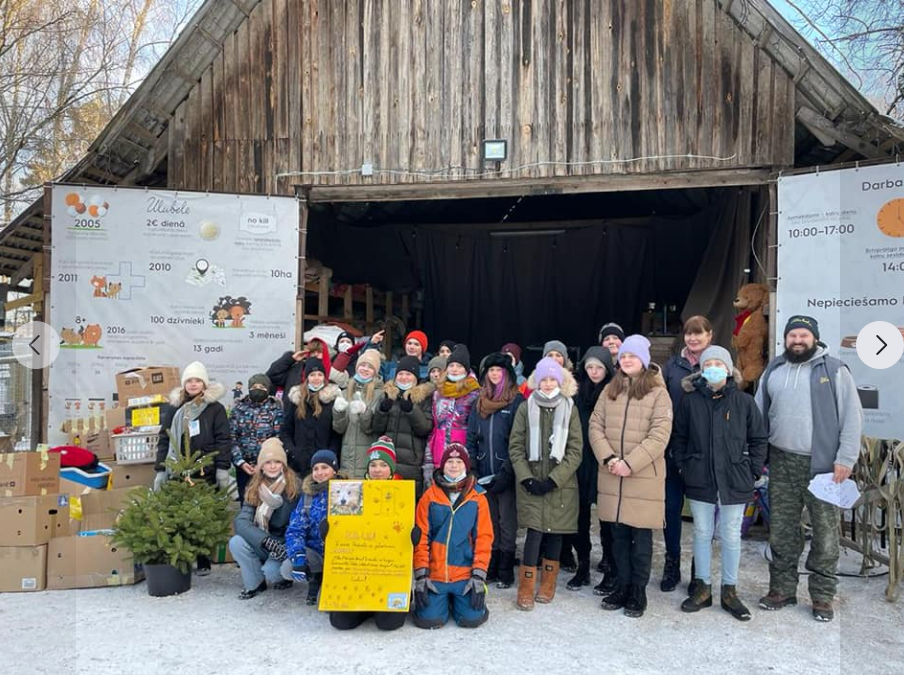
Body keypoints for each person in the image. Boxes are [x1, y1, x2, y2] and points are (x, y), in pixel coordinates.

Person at [754, 315, 862, 622]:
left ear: (814, 337)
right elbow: (759, 411)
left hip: (824, 466)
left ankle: (822, 596)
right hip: (781, 460)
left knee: (826, 535)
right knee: (783, 530)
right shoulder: (774, 369)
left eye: (803, 335)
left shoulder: (835, 370)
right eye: (792, 335)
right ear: (785, 339)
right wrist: (758, 453)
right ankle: (782, 589)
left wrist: (845, 458)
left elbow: (852, 418)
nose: (797, 340)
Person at [671, 346, 768, 621]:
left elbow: (758, 438)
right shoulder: (690, 401)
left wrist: (752, 469)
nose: (713, 367)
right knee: (702, 532)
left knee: (730, 535)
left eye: (718, 363)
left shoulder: (744, 402)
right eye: (708, 363)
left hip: (735, 479)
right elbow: (679, 437)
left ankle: (729, 590)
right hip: (700, 477)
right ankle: (702, 588)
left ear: (728, 368)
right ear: (702, 369)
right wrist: (684, 465)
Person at [589, 335, 672, 618]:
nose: (626, 360)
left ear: (644, 361)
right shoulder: (610, 390)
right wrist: (609, 458)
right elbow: (595, 426)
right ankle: (621, 585)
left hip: (642, 477)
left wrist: (630, 463)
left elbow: (660, 434)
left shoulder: (658, 393)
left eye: (632, 356)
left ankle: (638, 590)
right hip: (612, 474)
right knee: (618, 536)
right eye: (623, 356)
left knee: (641, 538)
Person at [508, 357, 582, 611]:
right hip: (531, 481)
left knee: (555, 533)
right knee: (534, 533)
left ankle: (548, 584)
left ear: (560, 381)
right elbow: (516, 446)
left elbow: (575, 450)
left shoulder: (570, 408)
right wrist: (526, 476)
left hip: (559, 485)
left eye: (553, 379)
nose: (548, 384)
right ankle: (526, 588)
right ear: (536, 381)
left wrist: (554, 479)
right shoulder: (525, 407)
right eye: (544, 379)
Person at [327, 437, 412, 630]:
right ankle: (364, 604)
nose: (378, 470)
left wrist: (412, 536)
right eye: (373, 465)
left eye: (383, 464)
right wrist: (330, 530)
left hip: (390, 571)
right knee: (340, 622)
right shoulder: (352, 492)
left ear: (392, 468)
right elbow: (345, 529)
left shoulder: (403, 493)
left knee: (389, 624)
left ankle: (402, 595)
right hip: (360, 570)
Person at [155, 361, 230, 575]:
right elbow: (164, 438)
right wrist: (161, 469)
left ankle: (204, 559)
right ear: (184, 384)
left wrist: (222, 467)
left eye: (198, 380)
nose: (194, 384)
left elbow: (223, 439)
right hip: (177, 470)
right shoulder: (174, 408)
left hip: (204, 470)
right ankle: (182, 558)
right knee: (178, 514)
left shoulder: (215, 408)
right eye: (190, 380)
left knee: (203, 514)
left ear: (204, 384)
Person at [660, 315, 714, 593]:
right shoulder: (672, 366)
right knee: (670, 509)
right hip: (673, 449)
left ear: (709, 335)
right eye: (689, 334)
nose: (693, 339)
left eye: (699, 334)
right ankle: (672, 564)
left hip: (704, 452)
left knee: (702, 514)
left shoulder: (717, 365)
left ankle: (698, 570)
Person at [413, 444, 493, 629]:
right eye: (450, 461)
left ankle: (459, 600)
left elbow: (484, 537)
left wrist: (479, 576)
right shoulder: (429, 496)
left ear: (466, 466)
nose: (454, 466)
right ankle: (442, 601)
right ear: (442, 465)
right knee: (429, 620)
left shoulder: (478, 497)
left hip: (465, 576)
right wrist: (421, 575)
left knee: (471, 619)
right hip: (436, 574)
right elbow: (422, 537)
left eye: (459, 462)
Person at [466, 352, 524, 589]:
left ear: (507, 375)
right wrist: (474, 468)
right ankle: (492, 561)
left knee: (507, 522)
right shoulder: (479, 403)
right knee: (488, 521)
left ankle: (506, 566)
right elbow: (470, 438)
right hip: (483, 472)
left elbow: (519, 440)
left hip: (506, 473)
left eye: (499, 370)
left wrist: (507, 472)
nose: (495, 374)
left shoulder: (516, 401)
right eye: (491, 371)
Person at [566, 347, 615, 592]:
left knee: (607, 518)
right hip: (580, 460)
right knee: (579, 517)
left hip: (605, 461)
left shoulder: (615, 392)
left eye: (599, 367)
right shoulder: (576, 394)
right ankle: (583, 564)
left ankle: (609, 564)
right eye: (590, 367)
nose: (594, 372)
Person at [229, 438, 302, 599]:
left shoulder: (295, 486)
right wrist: (265, 540)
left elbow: (299, 523)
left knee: (273, 573)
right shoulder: (255, 487)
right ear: (261, 465)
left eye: (277, 461)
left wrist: (282, 546)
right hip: (264, 542)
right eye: (268, 462)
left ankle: (283, 576)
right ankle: (255, 583)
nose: (273, 466)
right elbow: (241, 521)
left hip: (284, 546)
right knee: (236, 542)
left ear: (283, 464)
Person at [285, 449, 344, 605]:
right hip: (316, 552)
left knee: (328, 604)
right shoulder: (308, 496)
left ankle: (329, 581)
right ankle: (315, 578)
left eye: (324, 467)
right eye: (315, 468)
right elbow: (295, 529)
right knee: (287, 567)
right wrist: (298, 555)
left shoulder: (348, 492)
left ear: (335, 470)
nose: (320, 472)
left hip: (343, 554)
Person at [369, 355, 435, 493]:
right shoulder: (388, 395)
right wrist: (382, 410)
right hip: (387, 462)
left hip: (411, 463)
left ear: (415, 378)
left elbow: (425, 429)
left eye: (408, 374)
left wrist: (412, 410)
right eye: (400, 374)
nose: (404, 377)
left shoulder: (424, 399)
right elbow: (377, 428)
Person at [428, 345, 481, 484]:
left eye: (459, 366)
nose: (455, 369)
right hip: (439, 451)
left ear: (466, 369)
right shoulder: (438, 392)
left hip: (462, 452)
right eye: (452, 365)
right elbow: (434, 425)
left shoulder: (475, 393)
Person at [279, 358, 341, 475]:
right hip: (298, 463)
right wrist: (293, 452)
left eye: (319, 374)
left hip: (324, 464)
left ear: (324, 377)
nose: (316, 378)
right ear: (307, 377)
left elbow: (336, 433)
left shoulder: (332, 400)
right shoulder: (296, 400)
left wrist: (331, 453)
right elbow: (286, 430)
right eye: (312, 375)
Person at [229, 373, 283, 502]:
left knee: (266, 504)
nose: (258, 389)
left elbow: (278, 439)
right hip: (243, 467)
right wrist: (240, 462)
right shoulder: (238, 409)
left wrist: (265, 463)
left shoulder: (275, 410)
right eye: (254, 386)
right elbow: (231, 438)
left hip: (268, 468)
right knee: (246, 501)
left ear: (268, 389)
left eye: (262, 386)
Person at [332, 349, 383, 478]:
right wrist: (338, 412)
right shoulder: (345, 393)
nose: (365, 369)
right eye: (362, 365)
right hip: (347, 459)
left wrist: (364, 412)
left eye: (370, 367)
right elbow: (339, 429)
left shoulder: (380, 394)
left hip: (368, 458)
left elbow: (370, 428)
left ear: (375, 372)